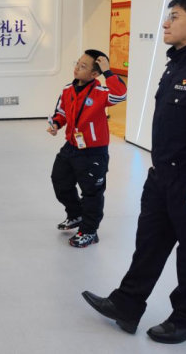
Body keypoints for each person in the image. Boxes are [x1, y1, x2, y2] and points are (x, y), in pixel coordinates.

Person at [82, 0, 186, 344]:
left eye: (174, 16)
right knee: (149, 243)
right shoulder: (177, 65)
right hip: (163, 176)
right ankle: (126, 303)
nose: (165, 23)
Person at [47, 50, 127, 248]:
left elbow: (121, 94)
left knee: (92, 193)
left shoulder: (102, 92)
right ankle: (76, 214)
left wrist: (108, 72)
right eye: (77, 63)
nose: (77, 68)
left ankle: (90, 231)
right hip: (71, 147)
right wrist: (56, 124)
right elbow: (61, 112)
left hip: (93, 152)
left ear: (94, 74)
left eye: (83, 66)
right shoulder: (67, 89)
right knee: (60, 181)